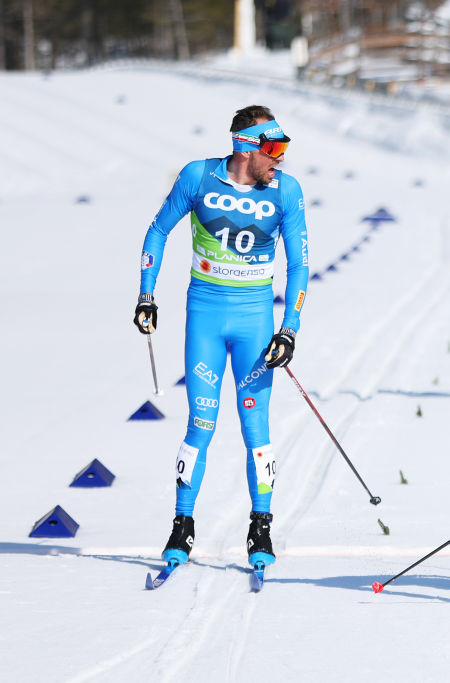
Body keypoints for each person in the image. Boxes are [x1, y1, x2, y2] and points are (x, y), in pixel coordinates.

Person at [134, 105, 310, 572]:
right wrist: (146, 296)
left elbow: (300, 265)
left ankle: (261, 527)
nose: (281, 159)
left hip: (254, 323)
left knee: (256, 428)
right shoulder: (198, 177)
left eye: (284, 149)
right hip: (206, 319)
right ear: (245, 146)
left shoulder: (286, 191)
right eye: (273, 149)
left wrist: (288, 330)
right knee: (201, 424)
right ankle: (182, 524)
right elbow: (157, 231)